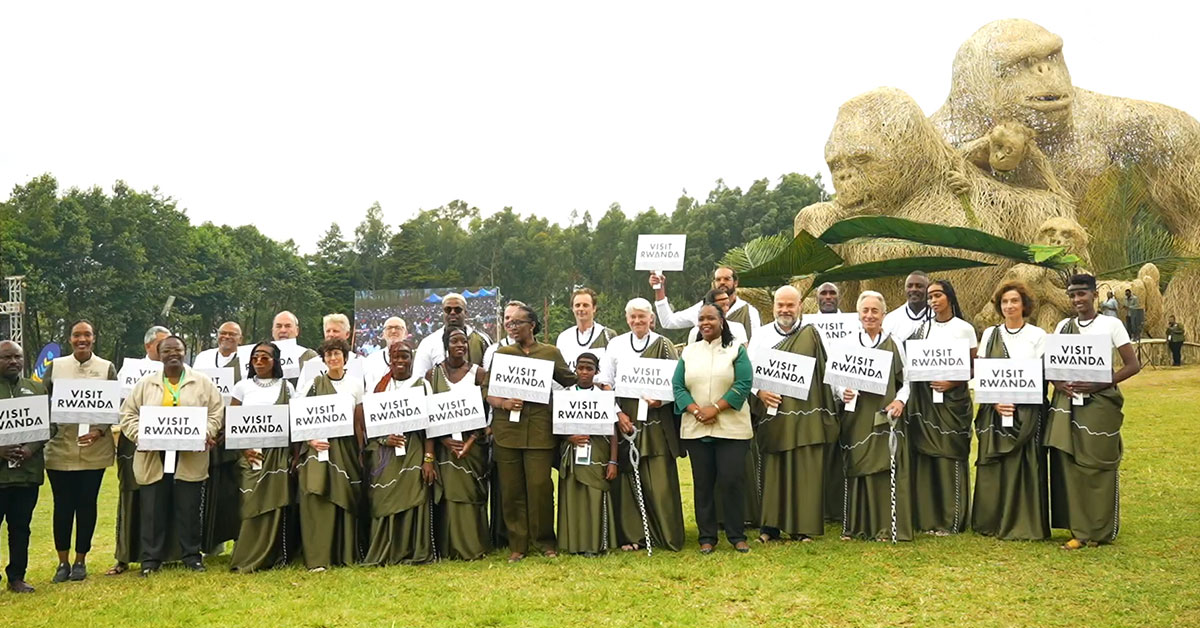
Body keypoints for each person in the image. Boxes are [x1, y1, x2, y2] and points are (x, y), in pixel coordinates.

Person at [1046, 274, 1140, 549]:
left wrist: (1102, 383)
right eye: (1072, 295)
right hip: (1067, 404)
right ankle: (1079, 529)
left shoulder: (1111, 325)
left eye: (1081, 294)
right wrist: (1058, 383)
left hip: (1099, 404)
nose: (1077, 300)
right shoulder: (1064, 326)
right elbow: (1053, 365)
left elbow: (1132, 365)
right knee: (1071, 464)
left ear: (1094, 295)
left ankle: (1099, 530)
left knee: (1096, 465)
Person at [118, 335, 224, 576]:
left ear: (185, 352)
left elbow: (216, 412)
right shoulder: (146, 384)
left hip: (190, 455)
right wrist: (140, 436)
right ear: (159, 354)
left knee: (189, 507)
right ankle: (151, 560)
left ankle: (191, 556)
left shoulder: (202, 382)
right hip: (153, 455)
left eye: (177, 350)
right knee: (152, 509)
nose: (172, 354)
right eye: (167, 351)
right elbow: (127, 414)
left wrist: (203, 432)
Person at [486, 302, 576, 562]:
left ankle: (545, 541)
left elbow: (570, 382)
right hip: (507, 432)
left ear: (532, 325)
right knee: (512, 490)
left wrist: (599, 387)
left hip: (539, 431)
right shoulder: (502, 353)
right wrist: (503, 403)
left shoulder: (550, 353)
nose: (512, 327)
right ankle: (518, 544)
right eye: (509, 323)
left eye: (517, 322)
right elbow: (487, 391)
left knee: (539, 488)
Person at [751, 286, 838, 542]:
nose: (785, 310)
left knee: (804, 471)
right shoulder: (762, 336)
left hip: (805, 417)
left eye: (790, 305)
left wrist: (842, 396)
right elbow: (748, 373)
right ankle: (770, 528)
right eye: (781, 305)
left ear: (800, 305)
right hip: (774, 415)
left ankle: (802, 528)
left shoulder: (812, 334)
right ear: (774, 306)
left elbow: (827, 369)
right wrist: (759, 393)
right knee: (773, 470)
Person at [598, 298, 686, 552]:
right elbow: (605, 383)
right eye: (633, 317)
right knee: (628, 480)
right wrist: (618, 415)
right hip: (626, 420)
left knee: (660, 480)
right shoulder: (615, 345)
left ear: (651, 319)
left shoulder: (665, 345)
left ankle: (667, 536)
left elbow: (676, 382)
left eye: (642, 317)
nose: (637, 321)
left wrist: (663, 399)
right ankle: (634, 536)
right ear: (627, 319)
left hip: (657, 422)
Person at [971, 281, 1050, 540]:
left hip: (1027, 413)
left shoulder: (1038, 336)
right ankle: (991, 521)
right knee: (996, 466)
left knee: (1026, 465)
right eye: (1004, 302)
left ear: (1024, 304)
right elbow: (981, 373)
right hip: (996, 411)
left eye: (1014, 301)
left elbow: (1043, 375)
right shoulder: (991, 336)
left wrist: (1021, 400)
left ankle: (1025, 523)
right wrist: (995, 402)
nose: (1009, 306)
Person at [674, 302, 754, 554]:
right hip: (697, 428)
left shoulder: (736, 349)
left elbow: (743, 383)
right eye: (701, 319)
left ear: (722, 321)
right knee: (703, 483)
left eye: (710, 318)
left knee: (731, 481)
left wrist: (715, 409)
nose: (705, 323)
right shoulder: (689, 351)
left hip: (731, 428)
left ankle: (736, 535)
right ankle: (706, 537)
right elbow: (678, 387)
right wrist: (697, 410)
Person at [41, 320, 117, 582]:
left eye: (87, 334)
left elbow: (112, 406)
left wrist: (99, 429)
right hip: (61, 448)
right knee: (62, 506)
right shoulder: (57, 366)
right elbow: (42, 401)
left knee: (87, 505)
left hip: (94, 449)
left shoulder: (106, 367)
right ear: (70, 338)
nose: (81, 339)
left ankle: (80, 560)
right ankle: (62, 562)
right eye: (76, 335)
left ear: (94, 338)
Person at [838, 291, 913, 542]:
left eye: (874, 311)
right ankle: (856, 527)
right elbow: (835, 380)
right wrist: (842, 391)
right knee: (857, 465)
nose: (869, 315)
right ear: (859, 314)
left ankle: (885, 527)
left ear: (883, 315)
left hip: (884, 415)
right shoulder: (847, 342)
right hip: (856, 416)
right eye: (865, 311)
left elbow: (906, 381)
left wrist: (899, 400)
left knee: (883, 468)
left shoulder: (894, 342)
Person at [907, 278, 978, 536]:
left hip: (953, 402)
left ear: (950, 297)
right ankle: (928, 518)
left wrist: (951, 382)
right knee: (927, 458)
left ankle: (952, 518)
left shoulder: (964, 328)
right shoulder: (922, 330)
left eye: (938, 295)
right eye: (930, 297)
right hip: (926, 404)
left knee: (950, 455)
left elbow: (974, 366)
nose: (933, 300)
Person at [362, 339, 436, 565]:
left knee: (413, 495)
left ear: (411, 359)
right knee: (385, 497)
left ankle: (412, 550)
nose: (400, 360)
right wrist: (385, 439)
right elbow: (370, 424)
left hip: (414, 447)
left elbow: (431, 426)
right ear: (390, 359)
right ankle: (386, 551)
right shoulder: (379, 386)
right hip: (386, 452)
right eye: (396, 356)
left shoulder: (422, 385)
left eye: (405, 356)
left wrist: (428, 459)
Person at [228, 342, 298, 573]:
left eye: (265, 358)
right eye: (255, 358)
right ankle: (246, 555)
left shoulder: (287, 388)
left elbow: (294, 422)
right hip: (250, 455)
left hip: (276, 457)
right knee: (250, 504)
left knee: (274, 504)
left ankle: (273, 554)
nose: (259, 362)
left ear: (275, 361)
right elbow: (233, 422)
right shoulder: (242, 387)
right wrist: (243, 449)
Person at [298, 338, 366, 571]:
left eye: (337, 353)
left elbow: (359, 421)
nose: (333, 358)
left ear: (345, 357)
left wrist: (360, 451)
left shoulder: (356, 385)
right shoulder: (313, 384)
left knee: (344, 497)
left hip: (345, 450)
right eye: (328, 355)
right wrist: (310, 440)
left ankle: (344, 554)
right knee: (319, 496)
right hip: (318, 449)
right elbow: (299, 419)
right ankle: (318, 558)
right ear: (324, 359)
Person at [426, 326, 492, 561]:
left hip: (472, 446)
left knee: (469, 494)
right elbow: (428, 412)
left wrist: (471, 441)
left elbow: (487, 412)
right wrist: (443, 440)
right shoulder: (432, 375)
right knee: (448, 496)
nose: (460, 345)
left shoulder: (479, 373)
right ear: (446, 345)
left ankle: (473, 546)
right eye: (455, 341)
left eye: (464, 341)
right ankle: (448, 547)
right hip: (445, 448)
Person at [109, 325, 169, 576]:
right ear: (149, 346)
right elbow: (120, 406)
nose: (167, 351)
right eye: (161, 346)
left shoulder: (179, 372)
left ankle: (162, 554)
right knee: (131, 496)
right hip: (133, 443)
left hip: (168, 444)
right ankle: (124, 556)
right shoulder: (130, 371)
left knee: (162, 497)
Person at [556, 352, 619, 555]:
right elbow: (557, 426)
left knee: (594, 495)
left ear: (596, 372)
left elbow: (613, 431)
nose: (584, 372)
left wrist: (613, 461)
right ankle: (573, 544)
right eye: (580, 368)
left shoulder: (603, 396)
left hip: (598, 452)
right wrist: (569, 437)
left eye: (589, 369)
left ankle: (596, 544)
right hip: (572, 453)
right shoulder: (565, 393)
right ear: (575, 369)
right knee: (573, 496)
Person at [193, 321, 244, 556]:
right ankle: (208, 543)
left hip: (232, 431)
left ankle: (234, 540)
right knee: (205, 484)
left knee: (231, 487)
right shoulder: (203, 358)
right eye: (223, 333)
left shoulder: (245, 360)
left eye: (232, 334)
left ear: (240, 339)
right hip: (204, 428)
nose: (227, 337)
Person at [0, 340, 47, 593]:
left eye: (17, 357)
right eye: (6, 357)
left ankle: (16, 577)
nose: (13, 362)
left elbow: (49, 426)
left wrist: (30, 448)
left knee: (20, 528)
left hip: (26, 475)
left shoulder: (36, 389)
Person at [651, 266, 762, 340]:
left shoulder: (749, 311)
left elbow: (755, 345)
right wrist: (659, 289)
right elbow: (668, 322)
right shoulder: (702, 308)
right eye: (718, 279)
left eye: (727, 279)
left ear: (736, 283)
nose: (722, 282)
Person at [413, 293, 492, 379]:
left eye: (457, 310)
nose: (452, 313)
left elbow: (489, 376)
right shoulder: (428, 343)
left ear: (466, 313)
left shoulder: (482, 340)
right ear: (443, 313)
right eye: (448, 310)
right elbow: (419, 379)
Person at [555, 288, 618, 371]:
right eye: (577, 305)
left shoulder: (608, 335)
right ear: (573, 309)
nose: (581, 309)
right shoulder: (563, 338)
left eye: (585, 305)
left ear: (594, 308)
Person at [299, 313, 365, 391]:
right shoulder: (312, 364)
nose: (331, 334)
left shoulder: (362, 362)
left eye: (335, 331)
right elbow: (300, 394)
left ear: (347, 334)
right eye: (328, 331)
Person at [882, 271, 930, 342]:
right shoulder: (891, 319)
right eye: (909, 286)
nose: (913, 289)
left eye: (919, 286)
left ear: (928, 289)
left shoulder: (937, 316)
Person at [272, 310, 319, 384]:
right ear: (272, 331)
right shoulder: (260, 359)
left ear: (297, 330)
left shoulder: (310, 357)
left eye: (288, 326)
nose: (283, 330)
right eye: (278, 326)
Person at [362, 316, 408, 386]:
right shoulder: (371, 360)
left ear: (406, 334)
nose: (393, 331)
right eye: (389, 328)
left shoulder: (416, 358)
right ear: (383, 334)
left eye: (398, 328)